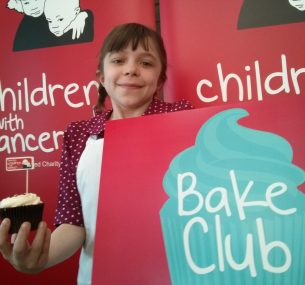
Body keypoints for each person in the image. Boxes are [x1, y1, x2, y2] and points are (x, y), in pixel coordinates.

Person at [0, 23, 193, 284]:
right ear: (101, 76)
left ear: (159, 79)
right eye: (118, 60)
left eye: (146, 63)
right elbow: (73, 224)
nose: (131, 69)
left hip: (175, 274)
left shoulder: (183, 118)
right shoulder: (78, 135)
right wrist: (40, 259)